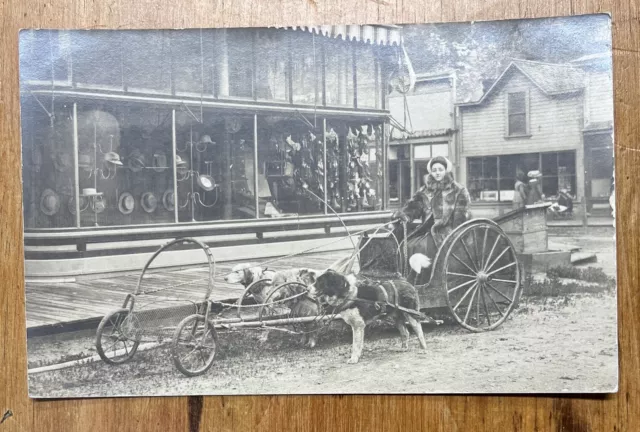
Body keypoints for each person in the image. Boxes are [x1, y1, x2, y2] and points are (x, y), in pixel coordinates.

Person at [392, 155, 471, 285]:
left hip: (447, 230)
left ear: (446, 170)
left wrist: (456, 235)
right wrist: (404, 215)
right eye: (434, 170)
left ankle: (425, 283)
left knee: (421, 247)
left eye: (440, 169)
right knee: (409, 244)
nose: (437, 173)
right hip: (428, 230)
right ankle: (409, 282)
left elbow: (461, 216)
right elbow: (414, 207)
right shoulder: (425, 190)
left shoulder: (458, 190)